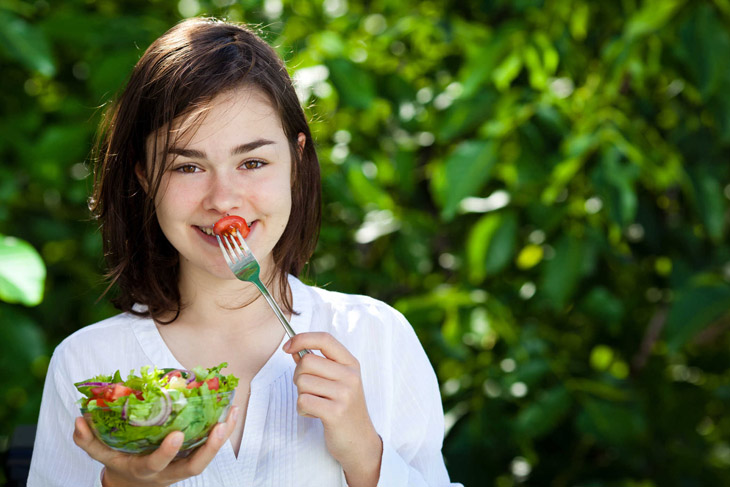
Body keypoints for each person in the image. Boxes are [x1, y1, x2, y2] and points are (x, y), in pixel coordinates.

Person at [28, 17, 460, 487]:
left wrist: (365, 455)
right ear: (144, 177)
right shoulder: (88, 364)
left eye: (252, 162)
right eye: (188, 167)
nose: (223, 198)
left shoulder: (376, 338)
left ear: (296, 161)